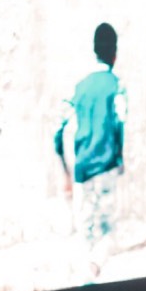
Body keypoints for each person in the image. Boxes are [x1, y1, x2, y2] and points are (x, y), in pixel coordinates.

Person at [55, 23, 126, 274]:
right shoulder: (116, 86)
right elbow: (119, 122)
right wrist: (119, 157)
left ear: (94, 51)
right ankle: (95, 267)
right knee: (107, 230)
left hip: (82, 168)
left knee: (85, 229)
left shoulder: (79, 87)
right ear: (114, 54)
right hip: (106, 166)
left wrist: (63, 165)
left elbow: (59, 126)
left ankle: (87, 275)